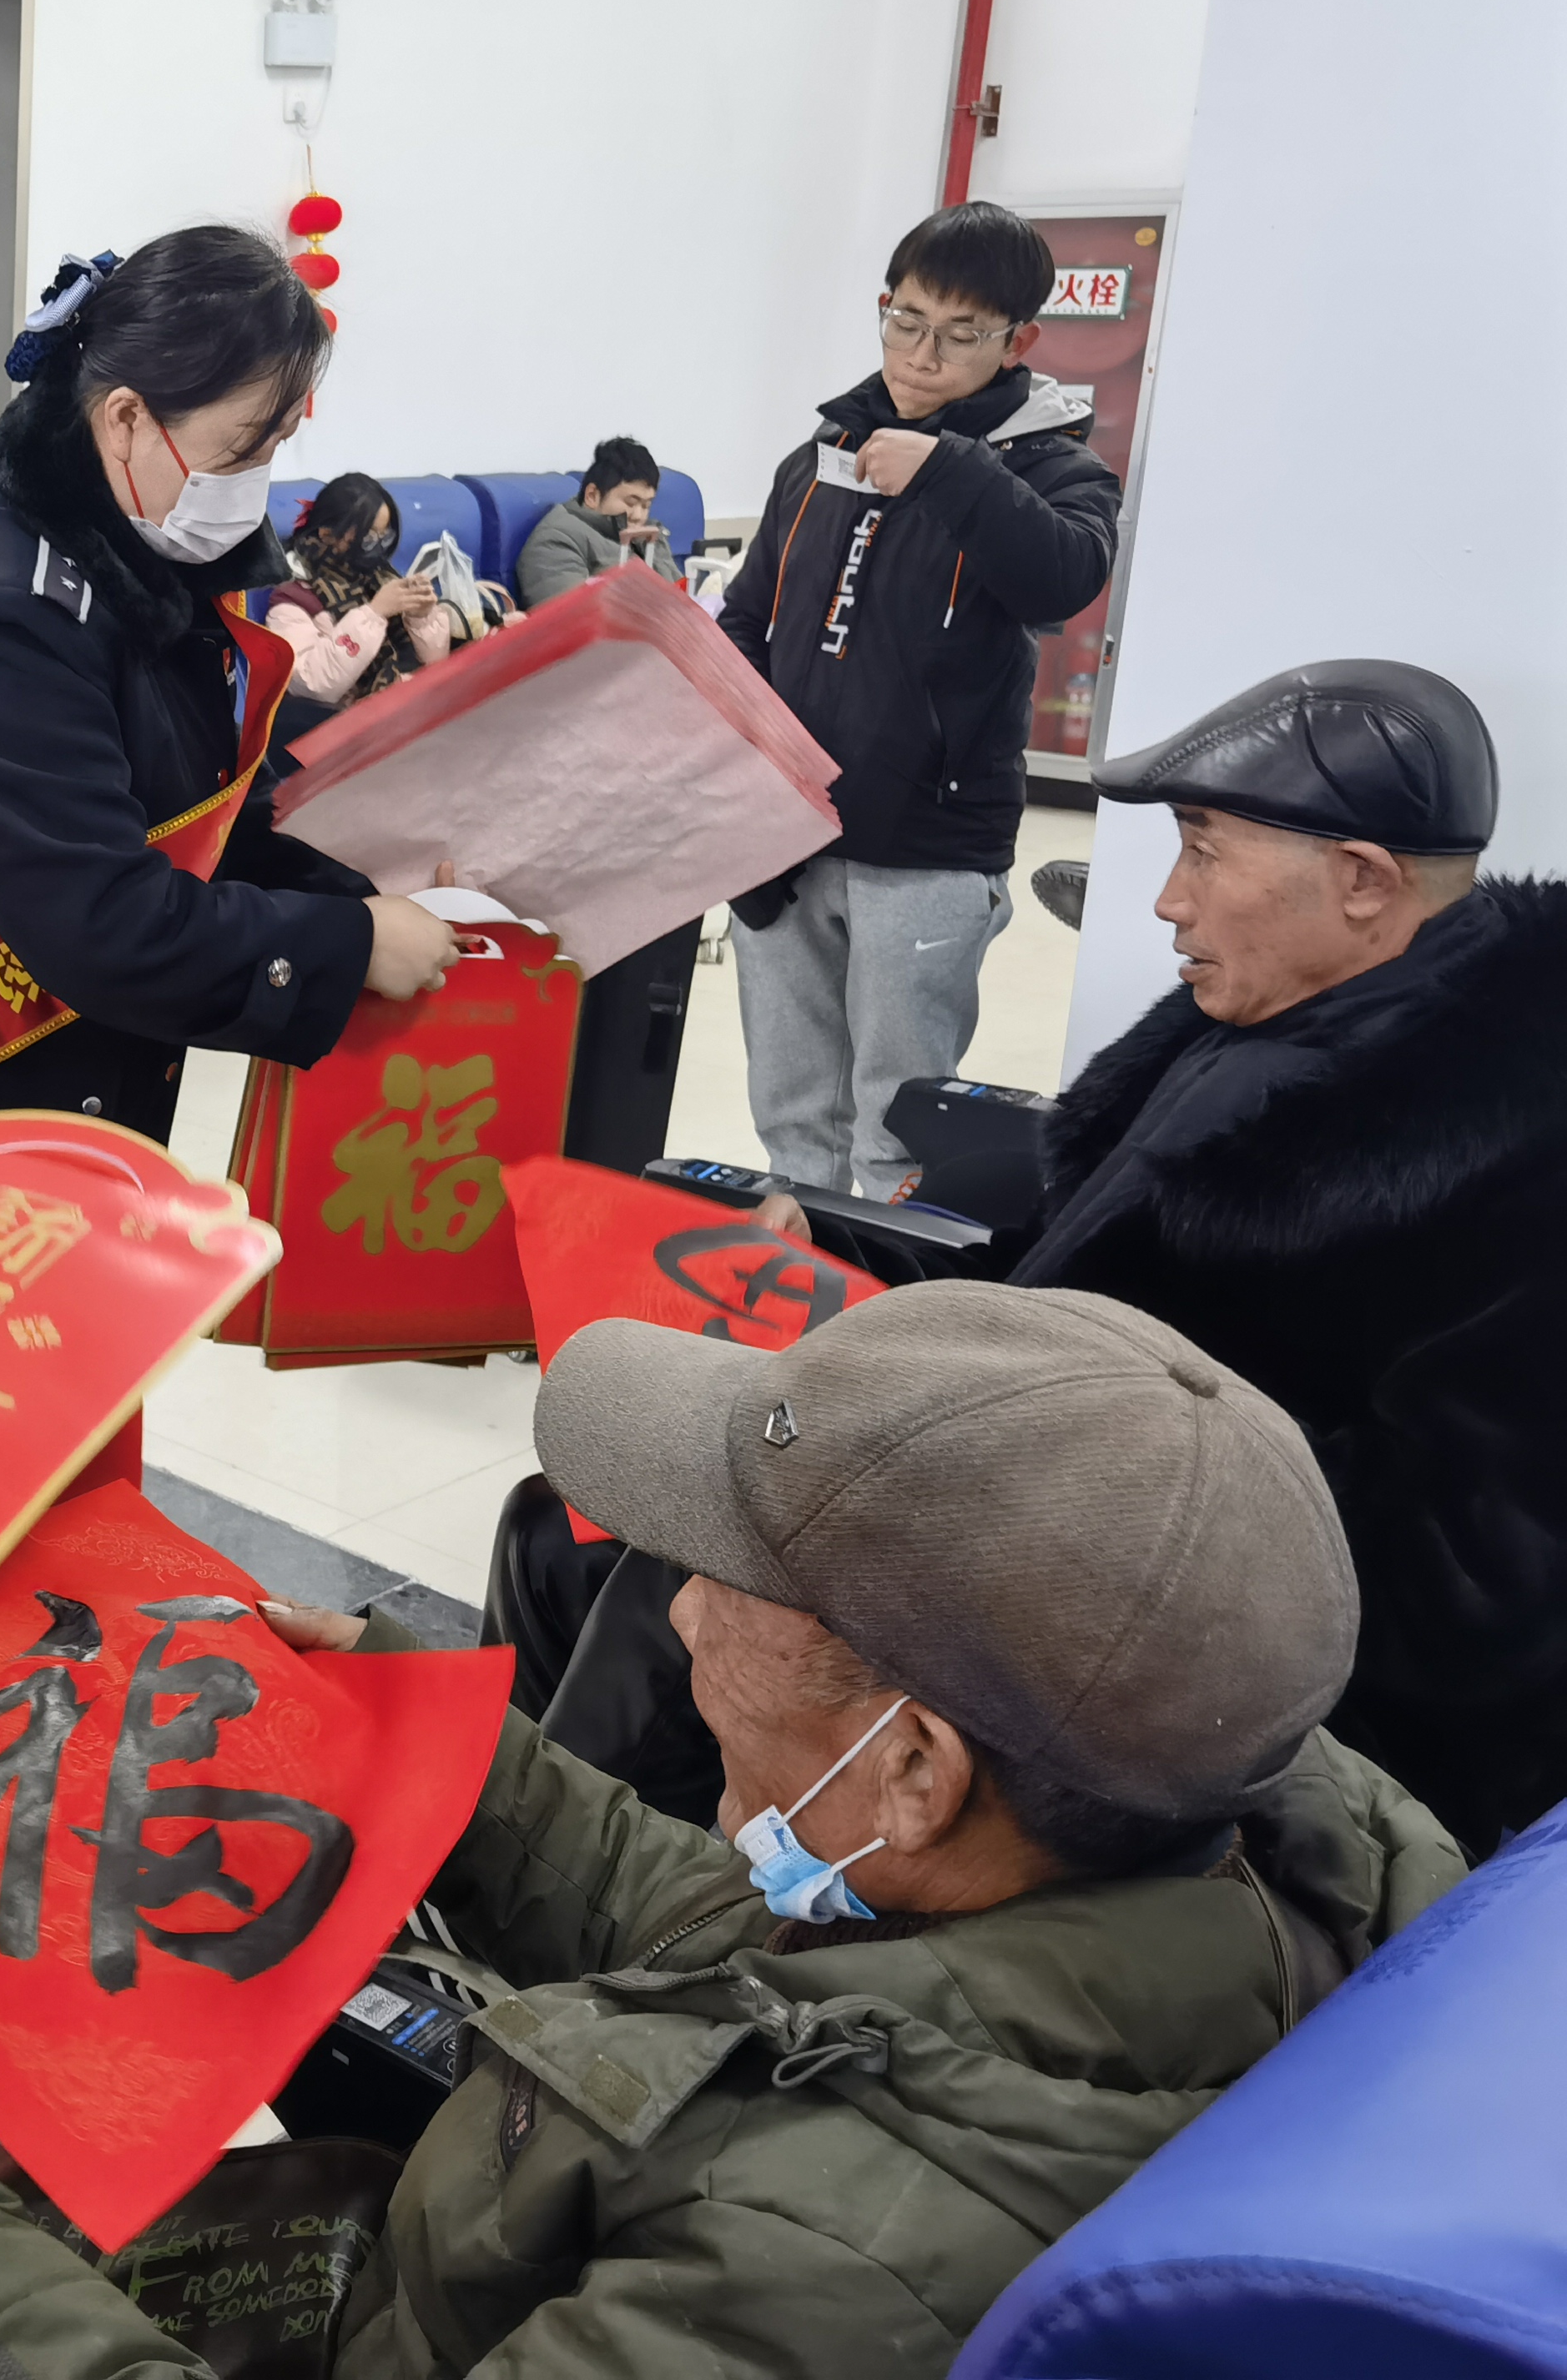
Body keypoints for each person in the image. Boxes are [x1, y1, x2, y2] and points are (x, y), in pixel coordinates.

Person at [0, 1285, 1464, 2379]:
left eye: (724, 1584)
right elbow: (751, 1967)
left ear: (911, 1768)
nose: (676, 1616)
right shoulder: (1216, 1829)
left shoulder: (819, 2274)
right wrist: (410, 1731)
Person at [506, 659, 1564, 1859]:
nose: (1167, 901)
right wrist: (833, 1250)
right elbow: (1039, 1287)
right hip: (1022, 1506)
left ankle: (588, 1903)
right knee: (552, 1534)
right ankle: (514, 1864)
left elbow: (1476, 1591)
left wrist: (1026, 1462)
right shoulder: (1254, 1029)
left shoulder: (1514, 1156)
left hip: (1168, 1662)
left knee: (689, 1579)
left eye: (1204, 853)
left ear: (1363, 882)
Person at [0, 232, 456, 1141]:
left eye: (277, 446)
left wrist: (358, 890)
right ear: (125, 418)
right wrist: (348, 946)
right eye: (242, 451)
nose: (254, 487)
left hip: (74, 1078)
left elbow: (205, 806)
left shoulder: (132, 535)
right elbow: (107, 926)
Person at [717, 200, 1120, 1199]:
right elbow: (748, 618)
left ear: (1018, 342)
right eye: (905, 321)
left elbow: (1062, 581)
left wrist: (951, 471)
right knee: (791, 1116)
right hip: (789, 841)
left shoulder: (1055, 469)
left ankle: (886, 1301)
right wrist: (743, 779)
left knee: (896, 1133)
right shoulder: (817, 456)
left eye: (959, 334)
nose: (921, 356)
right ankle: (798, 1293)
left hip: (929, 851)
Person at [266, 470, 454, 710]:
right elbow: (311, 683)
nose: (377, 549)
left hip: (407, 706)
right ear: (327, 535)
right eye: (368, 540)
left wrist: (422, 617)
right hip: (348, 720)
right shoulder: (292, 600)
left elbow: (436, 665)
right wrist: (374, 613)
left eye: (384, 538)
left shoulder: (380, 578)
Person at [510, 434, 676, 608]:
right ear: (592, 496)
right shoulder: (556, 541)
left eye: (646, 505)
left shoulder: (649, 536)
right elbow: (571, 615)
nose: (639, 516)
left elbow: (683, 599)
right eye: (631, 503)